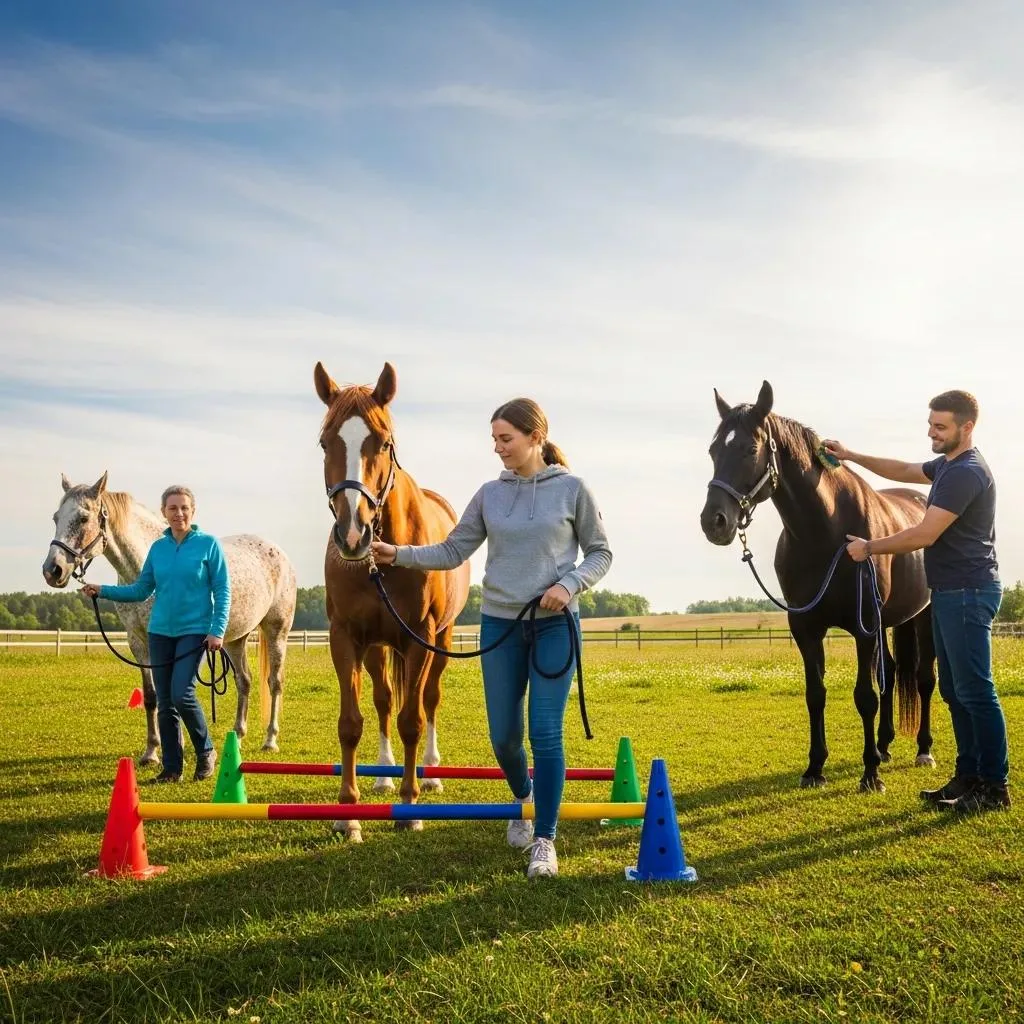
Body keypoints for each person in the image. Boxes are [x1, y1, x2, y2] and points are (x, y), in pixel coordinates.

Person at [371, 398, 612, 877]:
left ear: (535, 438)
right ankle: (523, 795)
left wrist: (568, 585)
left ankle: (544, 838)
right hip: (500, 624)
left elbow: (600, 553)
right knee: (503, 738)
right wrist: (398, 554)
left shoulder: (573, 489)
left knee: (545, 732)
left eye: (507, 439)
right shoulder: (489, 494)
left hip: (554, 627)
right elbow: (454, 549)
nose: (498, 448)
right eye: (495, 439)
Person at [823, 390, 1009, 812]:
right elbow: (904, 468)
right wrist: (850, 455)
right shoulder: (947, 465)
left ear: (967, 427)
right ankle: (968, 776)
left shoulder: (967, 472)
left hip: (968, 591)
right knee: (956, 692)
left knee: (976, 691)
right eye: (930, 425)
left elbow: (924, 534)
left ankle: (993, 788)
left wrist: (871, 547)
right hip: (947, 592)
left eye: (940, 427)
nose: (932, 433)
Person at [83, 485, 231, 784]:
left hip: (195, 631)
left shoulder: (208, 545)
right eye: (172, 508)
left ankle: (206, 751)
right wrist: (103, 590)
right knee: (164, 700)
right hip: (160, 632)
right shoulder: (158, 549)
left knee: (181, 693)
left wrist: (217, 630)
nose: (179, 513)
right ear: (164, 512)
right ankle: (172, 767)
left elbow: (222, 590)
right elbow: (141, 589)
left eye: (184, 508)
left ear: (193, 511)